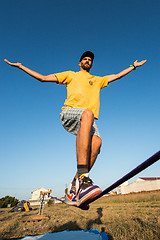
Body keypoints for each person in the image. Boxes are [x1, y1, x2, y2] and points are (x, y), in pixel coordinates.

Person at [4, 52, 146, 208]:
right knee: (87, 113)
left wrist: (133, 67)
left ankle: (74, 188)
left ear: (91, 64)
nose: (87, 61)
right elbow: (43, 78)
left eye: (90, 60)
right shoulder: (70, 75)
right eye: (85, 59)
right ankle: (83, 178)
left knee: (97, 143)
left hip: (87, 120)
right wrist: (20, 66)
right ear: (79, 63)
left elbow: (117, 76)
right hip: (70, 113)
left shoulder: (97, 80)